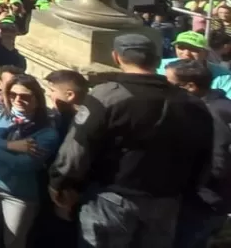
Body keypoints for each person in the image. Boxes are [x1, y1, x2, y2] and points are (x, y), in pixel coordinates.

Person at [49, 33, 214, 248]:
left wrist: (59, 182)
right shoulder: (193, 104)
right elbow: (204, 155)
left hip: (112, 200)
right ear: (156, 61)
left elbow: (78, 146)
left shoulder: (107, 96)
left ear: (116, 57)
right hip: (167, 203)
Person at [0, 74, 60, 248]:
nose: (18, 100)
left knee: (14, 242)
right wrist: (11, 145)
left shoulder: (47, 133)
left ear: (37, 99)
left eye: (25, 96)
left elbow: (22, 165)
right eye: (12, 94)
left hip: (18, 194)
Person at [165, 59, 231, 248]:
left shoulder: (210, 112)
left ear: (190, 86)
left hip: (204, 202)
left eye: (169, 83)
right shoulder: (222, 105)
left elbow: (218, 162)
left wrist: (194, 186)